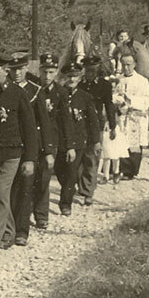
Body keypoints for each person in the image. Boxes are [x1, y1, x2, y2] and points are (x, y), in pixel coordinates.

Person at [0, 52, 37, 258]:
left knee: (1, 193)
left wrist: (30, 158)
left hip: (11, 152)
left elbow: (29, 127)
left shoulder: (17, 94)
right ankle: (9, 232)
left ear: (6, 71)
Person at [8, 52, 55, 246]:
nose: (17, 73)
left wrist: (49, 151)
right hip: (9, 145)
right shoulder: (5, 89)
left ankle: (21, 230)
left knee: (26, 188)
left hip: (30, 145)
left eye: (20, 69)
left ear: (27, 68)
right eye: (13, 69)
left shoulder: (35, 90)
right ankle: (7, 229)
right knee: (9, 189)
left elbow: (44, 123)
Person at [55, 62, 100, 216]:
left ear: (80, 77)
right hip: (59, 139)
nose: (72, 79)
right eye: (69, 76)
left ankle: (65, 203)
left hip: (78, 140)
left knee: (71, 171)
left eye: (75, 76)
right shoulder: (58, 94)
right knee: (59, 170)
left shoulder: (85, 97)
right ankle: (69, 187)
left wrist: (96, 140)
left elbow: (93, 120)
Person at [77, 56, 115, 205]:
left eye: (93, 69)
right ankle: (82, 186)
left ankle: (88, 192)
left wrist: (112, 126)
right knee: (79, 159)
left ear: (98, 69)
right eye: (88, 69)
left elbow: (109, 105)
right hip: (80, 125)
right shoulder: (79, 85)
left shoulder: (105, 86)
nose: (90, 72)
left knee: (92, 158)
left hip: (96, 125)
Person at [32, 53, 63, 230]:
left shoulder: (60, 92)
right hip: (32, 140)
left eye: (51, 72)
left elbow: (64, 121)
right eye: (44, 71)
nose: (47, 76)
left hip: (50, 140)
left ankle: (41, 215)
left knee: (44, 179)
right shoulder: (33, 89)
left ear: (56, 72)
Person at [116, 52, 149, 180]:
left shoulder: (142, 81)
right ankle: (118, 169)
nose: (126, 67)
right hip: (122, 116)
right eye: (123, 64)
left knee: (134, 144)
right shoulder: (118, 79)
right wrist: (118, 100)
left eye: (129, 64)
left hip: (136, 116)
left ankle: (130, 171)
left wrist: (130, 100)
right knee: (121, 142)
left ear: (135, 64)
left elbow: (148, 99)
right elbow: (113, 95)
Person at [100, 87, 130, 184]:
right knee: (106, 154)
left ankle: (116, 172)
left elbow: (122, 114)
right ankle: (105, 175)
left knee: (115, 154)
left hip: (116, 128)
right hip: (106, 128)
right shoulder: (103, 103)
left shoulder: (119, 101)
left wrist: (121, 105)